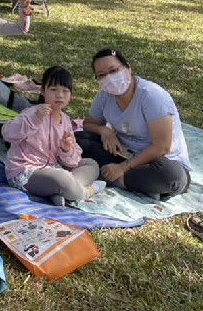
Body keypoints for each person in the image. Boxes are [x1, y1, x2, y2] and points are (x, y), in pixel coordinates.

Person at [78, 49, 191, 201]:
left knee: (172, 176)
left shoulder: (152, 96)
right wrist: (104, 130)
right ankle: (138, 183)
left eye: (113, 70)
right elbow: (89, 124)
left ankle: (115, 178)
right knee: (79, 140)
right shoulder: (104, 95)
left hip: (158, 161)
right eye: (102, 75)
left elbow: (162, 147)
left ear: (128, 68)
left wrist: (122, 168)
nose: (109, 78)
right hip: (123, 154)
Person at [1, 66, 105, 207]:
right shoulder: (32, 113)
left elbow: (72, 162)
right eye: (54, 90)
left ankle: (59, 192)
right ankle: (85, 192)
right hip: (27, 171)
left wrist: (66, 150)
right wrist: (35, 120)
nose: (60, 95)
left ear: (70, 95)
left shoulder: (66, 120)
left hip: (54, 168)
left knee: (91, 164)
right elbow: (7, 134)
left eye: (65, 91)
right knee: (63, 178)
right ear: (43, 91)